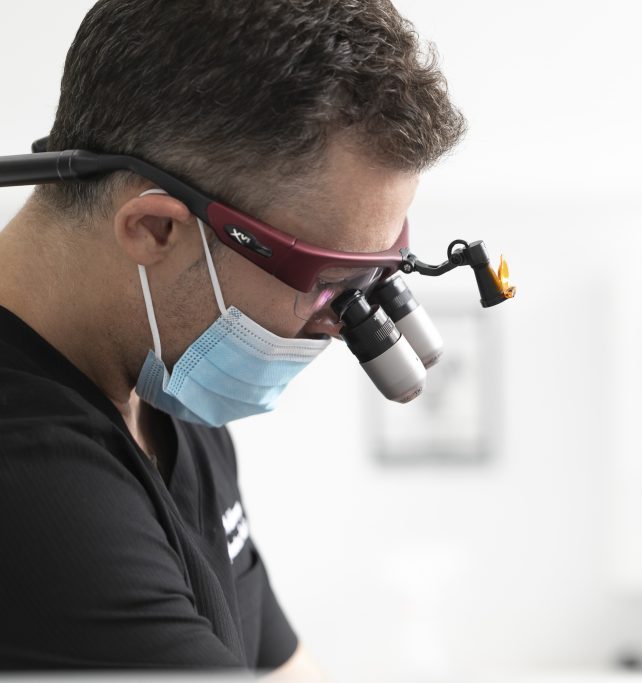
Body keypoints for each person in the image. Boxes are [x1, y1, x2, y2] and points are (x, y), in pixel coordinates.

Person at [0, 0, 464, 674]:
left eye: (377, 272)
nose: (340, 323)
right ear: (156, 229)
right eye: (330, 281)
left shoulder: (161, 385)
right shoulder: (35, 480)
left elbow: (283, 668)